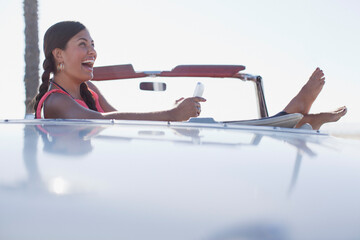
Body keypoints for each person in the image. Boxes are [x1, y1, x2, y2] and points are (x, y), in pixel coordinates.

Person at [34, 21, 346, 130]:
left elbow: (122, 118)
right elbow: (103, 123)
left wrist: (174, 111)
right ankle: (292, 115)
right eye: (82, 45)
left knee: (200, 127)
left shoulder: (90, 93)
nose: (93, 52)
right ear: (59, 55)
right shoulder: (56, 103)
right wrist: (170, 114)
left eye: (93, 44)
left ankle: (293, 117)